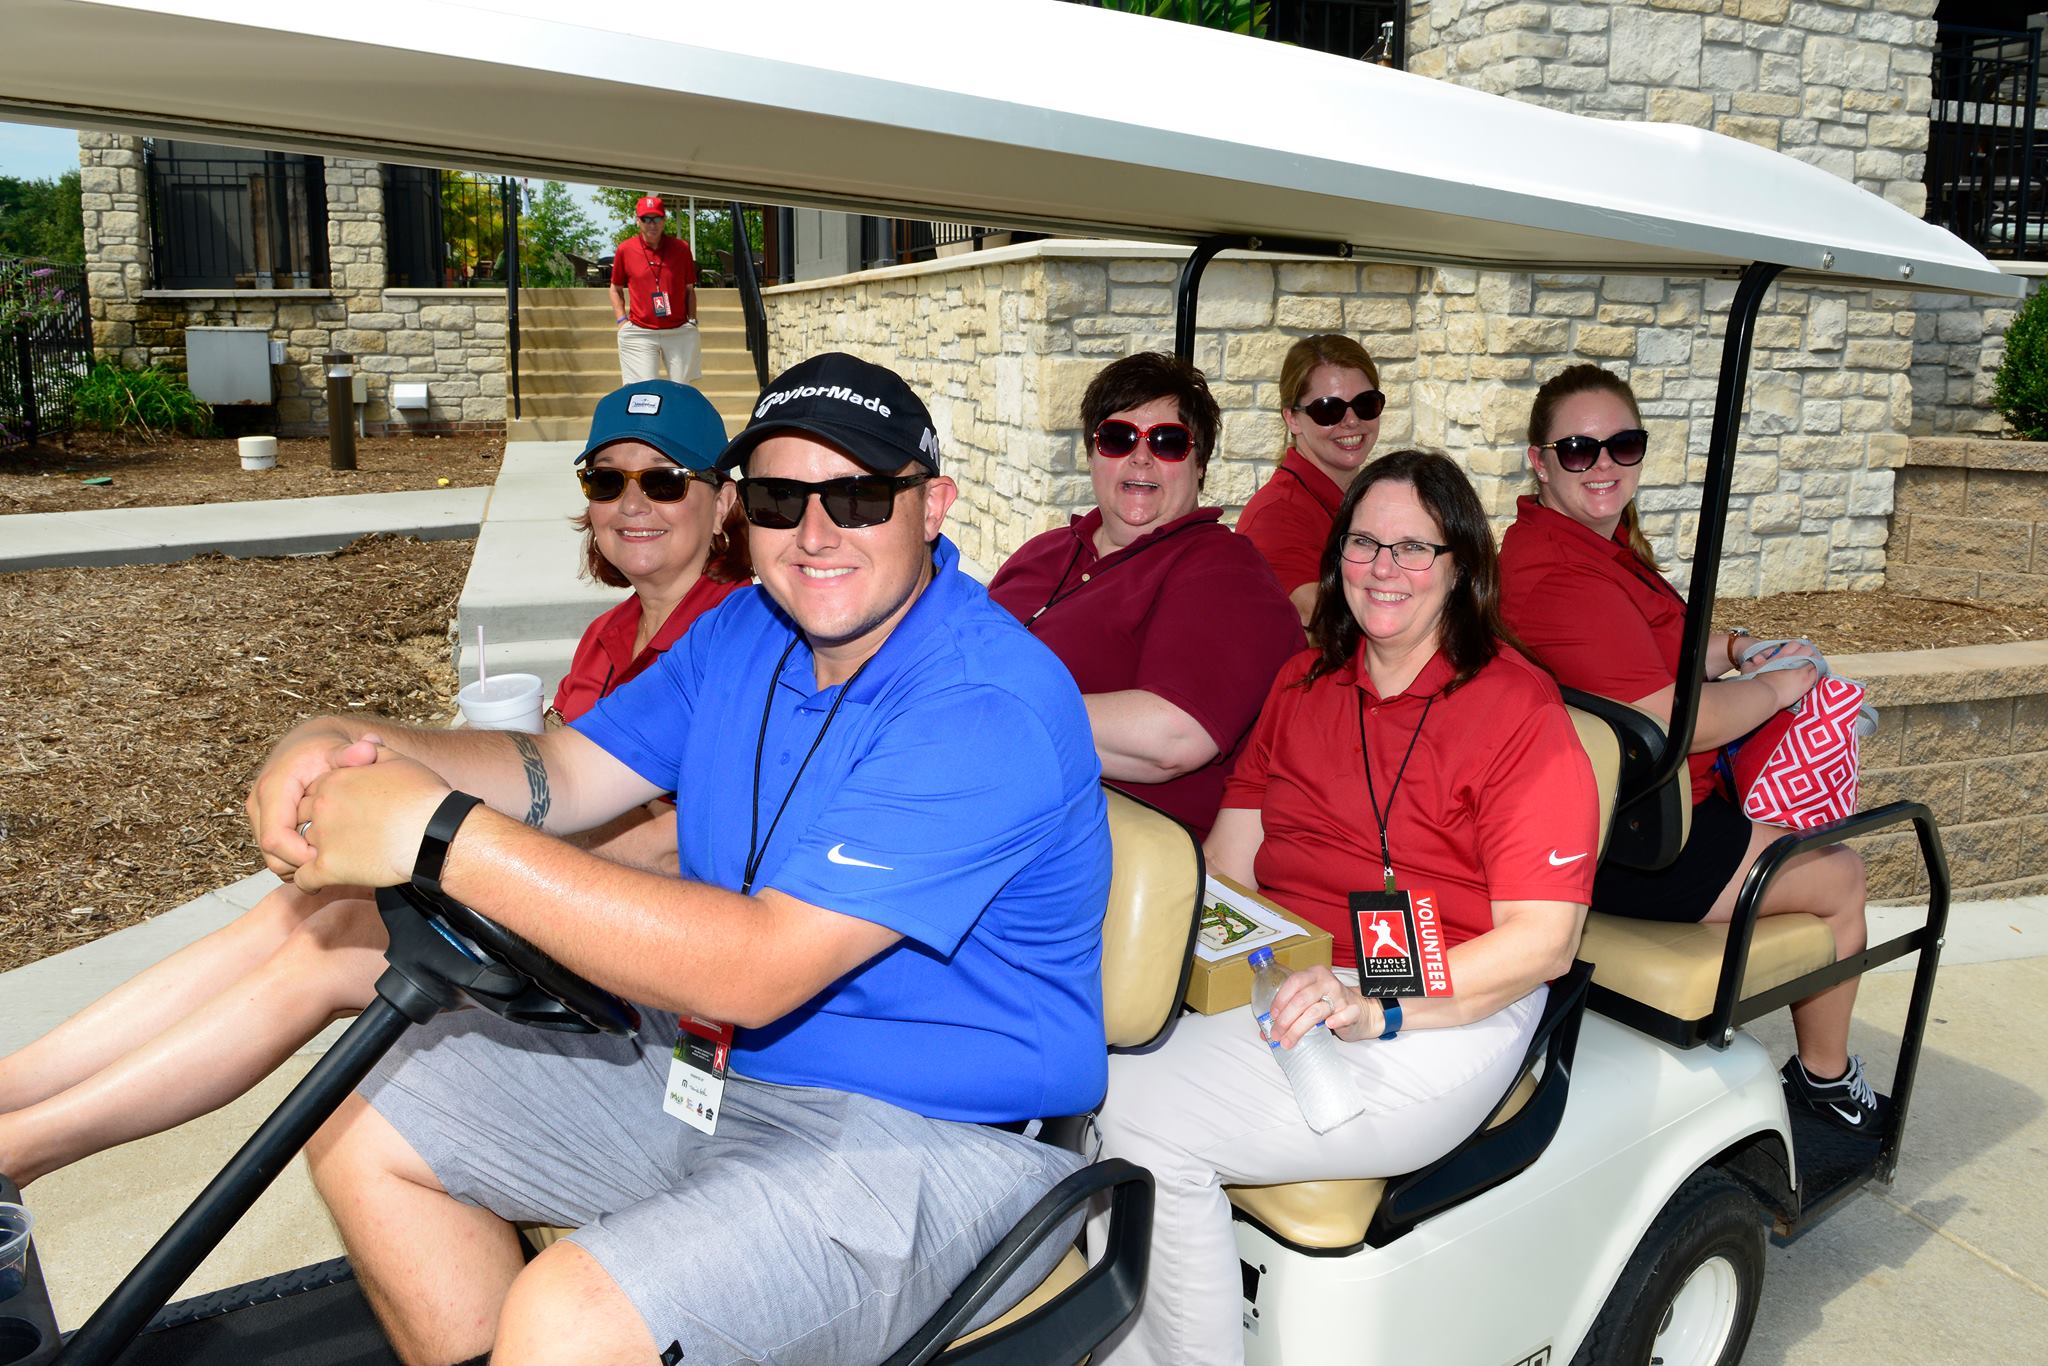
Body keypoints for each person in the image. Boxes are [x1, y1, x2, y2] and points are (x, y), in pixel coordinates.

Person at [256, 352, 1110, 1366]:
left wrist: (439, 835)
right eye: (780, 498)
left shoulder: (984, 705)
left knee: (569, 1315)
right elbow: (562, 771)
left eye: (858, 496)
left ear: (932, 507)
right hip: (723, 1071)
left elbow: (757, 967)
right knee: (364, 1114)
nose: (816, 532)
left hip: (935, 1136)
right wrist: (347, 739)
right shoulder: (746, 632)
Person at [0, 380, 750, 1188]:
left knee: (327, 953)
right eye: (606, 480)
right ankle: (12, 1092)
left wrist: (473, 847)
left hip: (628, 939)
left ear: (723, 504)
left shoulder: (738, 639)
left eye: (663, 480)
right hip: (535, 882)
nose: (632, 503)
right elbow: (557, 780)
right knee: (300, 904)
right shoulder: (610, 633)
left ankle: (22, 1148)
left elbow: (677, 844)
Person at [1093, 450, 1598, 1366]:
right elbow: (1228, 869)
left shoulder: (1518, 710)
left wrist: (1374, 997)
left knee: (1137, 1122)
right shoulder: (1303, 684)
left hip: (1448, 1003)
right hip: (1296, 975)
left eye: (1413, 548)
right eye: (1364, 543)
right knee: (1078, 1063)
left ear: (1460, 566)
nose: (1382, 569)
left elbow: (1543, 942)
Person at [1497, 362, 1881, 1134]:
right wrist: (1781, 687)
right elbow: (1677, 721)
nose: (1603, 464)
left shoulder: (1587, 548)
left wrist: (1737, 648)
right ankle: (1826, 1082)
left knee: (1802, 824)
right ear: (1540, 461)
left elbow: (1658, 649)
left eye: (1623, 445)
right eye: (1578, 449)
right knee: (1842, 876)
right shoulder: (1558, 577)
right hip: (1640, 842)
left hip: (1635, 809)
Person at [987, 352, 1302, 837]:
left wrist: (988, 707)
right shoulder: (1043, 552)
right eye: (1118, 438)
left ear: (1200, 465)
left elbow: (1171, 739)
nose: (1140, 456)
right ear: (1092, 454)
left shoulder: (1225, 572)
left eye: (1168, 442)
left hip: (1091, 846)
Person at [1234, 334, 1385, 625]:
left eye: (1365, 404)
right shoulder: (1276, 518)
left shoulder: (1368, 502)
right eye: (1329, 409)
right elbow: (1321, 618)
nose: (1352, 421)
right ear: (1292, 418)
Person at [609, 194, 701, 385]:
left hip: (678, 330)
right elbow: (615, 288)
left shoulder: (681, 248)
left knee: (681, 389)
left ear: (664, 220)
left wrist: (692, 320)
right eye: (646, 219)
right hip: (641, 331)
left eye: (657, 218)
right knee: (644, 391)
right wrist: (621, 320)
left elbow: (689, 289)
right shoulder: (625, 249)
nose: (652, 224)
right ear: (638, 221)